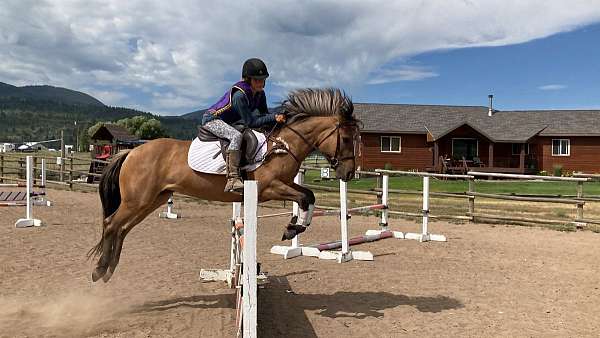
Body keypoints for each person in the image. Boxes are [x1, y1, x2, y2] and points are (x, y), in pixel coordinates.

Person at [201, 58, 286, 192]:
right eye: (257, 80)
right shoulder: (239, 96)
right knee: (236, 136)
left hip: (230, 121)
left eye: (263, 79)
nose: (261, 83)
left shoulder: (260, 94)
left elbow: (263, 115)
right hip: (212, 119)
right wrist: (274, 117)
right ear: (248, 79)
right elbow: (251, 122)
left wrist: (276, 118)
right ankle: (233, 179)